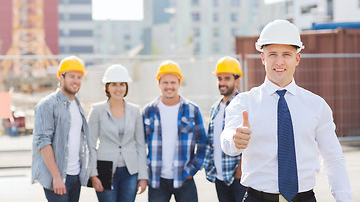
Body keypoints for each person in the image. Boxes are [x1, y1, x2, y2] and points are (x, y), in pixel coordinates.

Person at [221, 20, 353, 202]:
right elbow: (228, 141)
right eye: (272, 54)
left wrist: (344, 199)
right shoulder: (244, 103)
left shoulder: (317, 105)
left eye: (287, 54)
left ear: (297, 59)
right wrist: (235, 140)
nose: (279, 61)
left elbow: (333, 158)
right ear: (263, 58)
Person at [142, 60, 207, 202]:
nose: (169, 86)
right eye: (165, 82)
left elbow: (203, 143)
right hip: (157, 180)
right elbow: (140, 145)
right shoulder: (148, 111)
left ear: (179, 83)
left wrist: (191, 170)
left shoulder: (192, 110)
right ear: (158, 84)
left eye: (173, 82)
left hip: (184, 178)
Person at [32, 56, 92, 202]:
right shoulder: (47, 105)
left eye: (79, 77)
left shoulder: (78, 106)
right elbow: (43, 142)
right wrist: (57, 177)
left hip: (75, 175)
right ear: (61, 76)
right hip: (58, 178)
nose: (76, 81)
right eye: (72, 76)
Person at [88, 64, 148, 202]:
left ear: (127, 87)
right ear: (107, 87)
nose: (118, 88)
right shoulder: (97, 110)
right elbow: (90, 144)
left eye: (122, 84)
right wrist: (93, 174)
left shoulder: (134, 111)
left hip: (130, 171)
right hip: (104, 169)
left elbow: (140, 145)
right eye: (114, 84)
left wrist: (143, 176)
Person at [203, 56, 246, 202]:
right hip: (220, 177)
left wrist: (240, 170)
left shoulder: (244, 105)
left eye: (226, 78)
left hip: (239, 178)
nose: (222, 83)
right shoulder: (215, 108)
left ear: (237, 80)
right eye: (219, 78)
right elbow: (211, 141)